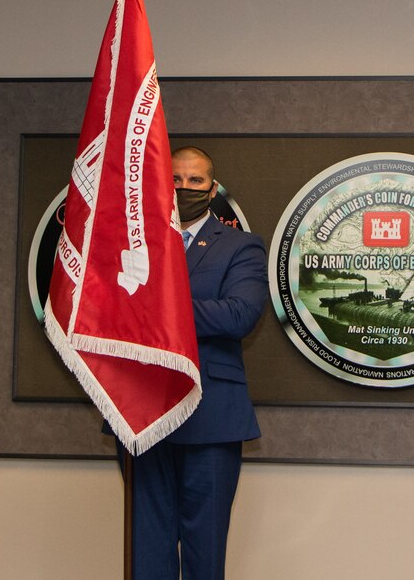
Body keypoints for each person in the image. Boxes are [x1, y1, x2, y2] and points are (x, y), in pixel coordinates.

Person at [125, 146, 267, 580]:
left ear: (213, 188)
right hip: (140, 411)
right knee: (148, 546)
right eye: (175, 180)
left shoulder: (241, 246)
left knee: (205, 549)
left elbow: (240, 314)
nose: (183, 188)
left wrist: (160, 308)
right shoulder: (133, 242)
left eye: (195, 181)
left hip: (212, 414)